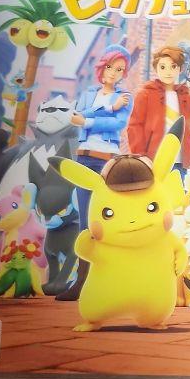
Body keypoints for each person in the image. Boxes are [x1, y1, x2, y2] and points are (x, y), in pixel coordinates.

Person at [56, 45, 134, 302]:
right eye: (110, 67)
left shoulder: (125, 97)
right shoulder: (89, 93)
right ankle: (82, 281)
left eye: (120, 69)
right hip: (84, 158)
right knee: (86, 222)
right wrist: (108, 108)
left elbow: (118, 124)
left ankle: (111, 279)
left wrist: (89, 120)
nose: (113, 73)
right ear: (102, 66)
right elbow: (76, 116)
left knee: (110, 220)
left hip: (107, 161)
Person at [126, 45, 190, 171]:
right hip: (154, 162)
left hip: (183, 164)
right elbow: (135, 126)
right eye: (162, 67)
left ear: (180, 69)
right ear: (156, 68)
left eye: (173, 66)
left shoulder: (188, 99)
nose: (168, 71)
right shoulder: (145, 95)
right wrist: (140, 155)